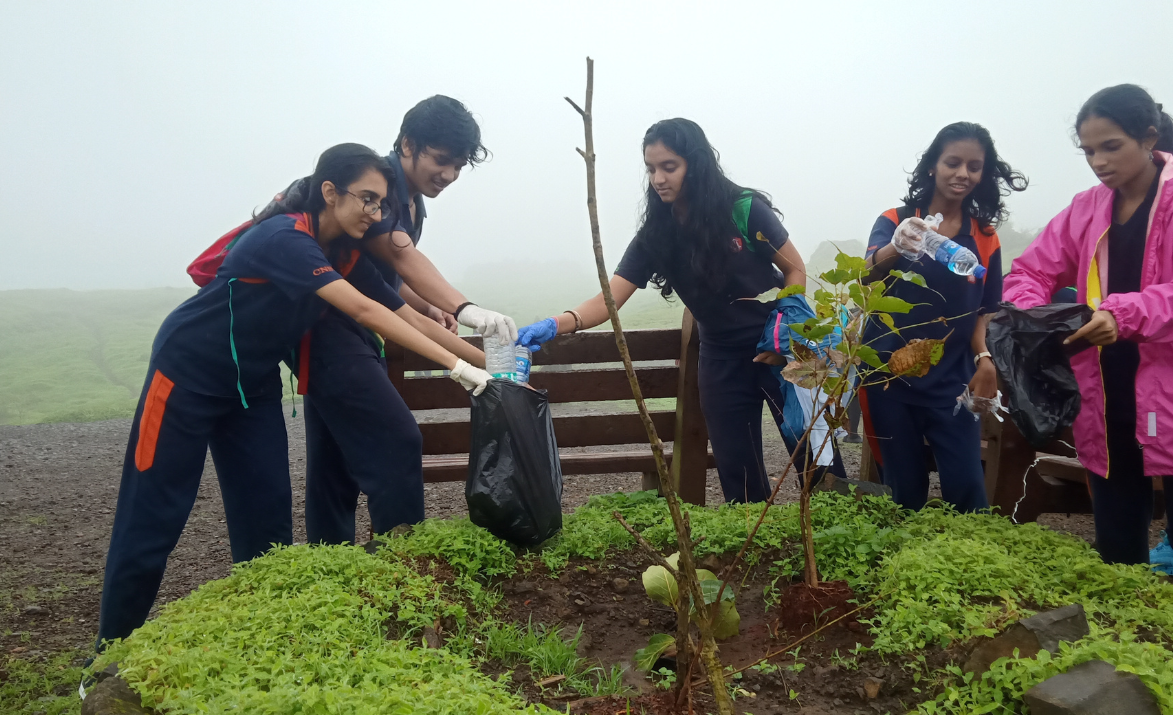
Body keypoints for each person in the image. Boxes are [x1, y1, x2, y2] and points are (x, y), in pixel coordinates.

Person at [97, 144, 492, 645]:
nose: (374, 214)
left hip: (253, 389)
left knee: (267, 528)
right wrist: (457, 367)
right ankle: (106, 653)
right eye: (366, 200)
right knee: (152, 519)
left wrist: (489, 362)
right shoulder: (284, 238)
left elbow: (406, 314)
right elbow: (370, 316)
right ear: (329, 191)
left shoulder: (344, 251)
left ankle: (272, 640)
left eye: (381, 204)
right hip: (186, 376)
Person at [1004, 84, 1173, 615]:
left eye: (1112, 146)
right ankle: (1123, 652)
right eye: (1088, 151)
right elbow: (1029, 270)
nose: (1099, 162)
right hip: (1107, 396)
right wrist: (1039, 314)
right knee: (1117, 544)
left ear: (1149, 138)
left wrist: (1119, 316)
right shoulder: (1087, 208)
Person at [516, 118, 841, 503]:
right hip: (720, 361)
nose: (658, 178)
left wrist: (782, 337)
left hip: (780, 352)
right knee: (739, 476)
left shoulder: (744, 209)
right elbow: (609, 299)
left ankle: (833, 546)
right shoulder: (657, 233)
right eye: (651, 169)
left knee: (817, 461)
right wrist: (556, 324)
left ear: (696, 163)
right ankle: (757, 552)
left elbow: (794, 268)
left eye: (669, 167)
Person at [300, 97, 514, 546]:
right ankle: (402, 563)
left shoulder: (413, 201)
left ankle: (329, 564)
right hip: (329, 329)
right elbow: (400, 255)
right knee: (398, 440)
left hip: (359, 327)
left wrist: (427, 304)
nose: (449, 175)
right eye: (441, 161)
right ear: (406, 144)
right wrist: (464, 309)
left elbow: (384, 277)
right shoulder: (376, 190)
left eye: (458, 166)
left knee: (333, 462)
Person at [861, 122, 1026, 513]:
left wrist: (984, 359)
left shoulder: (984, 237)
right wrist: (897, 246)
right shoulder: (896, 219)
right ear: (933, 166)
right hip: (888, 377)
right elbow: (867, 272)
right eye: (953, 162)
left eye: (973, 166)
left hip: (951, 380)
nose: (962, 174)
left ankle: (970, 568)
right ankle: (902, 570)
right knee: (904, 494)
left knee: (967, 488)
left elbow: (984, 309)